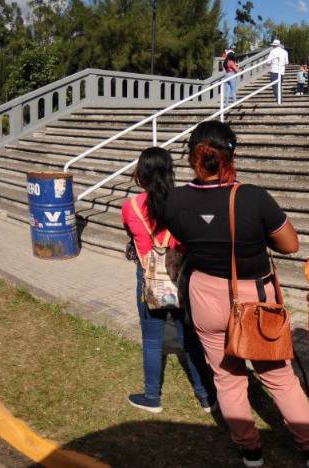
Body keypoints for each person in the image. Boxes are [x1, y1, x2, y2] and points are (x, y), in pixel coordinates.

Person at [160, 121, 309, 468]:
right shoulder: (252, 197)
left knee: (226, 377)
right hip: (253, 297)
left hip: (204, 294)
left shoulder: (176, 199)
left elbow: (183, 237)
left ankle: (249, 449)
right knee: (278, 376)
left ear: (192, 156)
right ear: (231, 156)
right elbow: (289, 244)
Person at [121, 147, 214, 415]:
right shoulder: (183, 202)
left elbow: (130, 231)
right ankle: (206, 397)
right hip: (181, 275)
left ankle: (152, 396)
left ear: (141, 173)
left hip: (149, 278)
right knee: (190, 339)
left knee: (152, 340)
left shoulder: (130, 207)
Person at [268, 39, 288, 103]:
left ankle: (279, 100)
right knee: (279, 86)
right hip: (282, 71)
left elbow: (268, 61)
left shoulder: (272, 51)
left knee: (275, 86)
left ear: (274, 45)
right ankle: (280, 100)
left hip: (274, 70)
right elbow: (286, 62)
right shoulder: (285, 52)